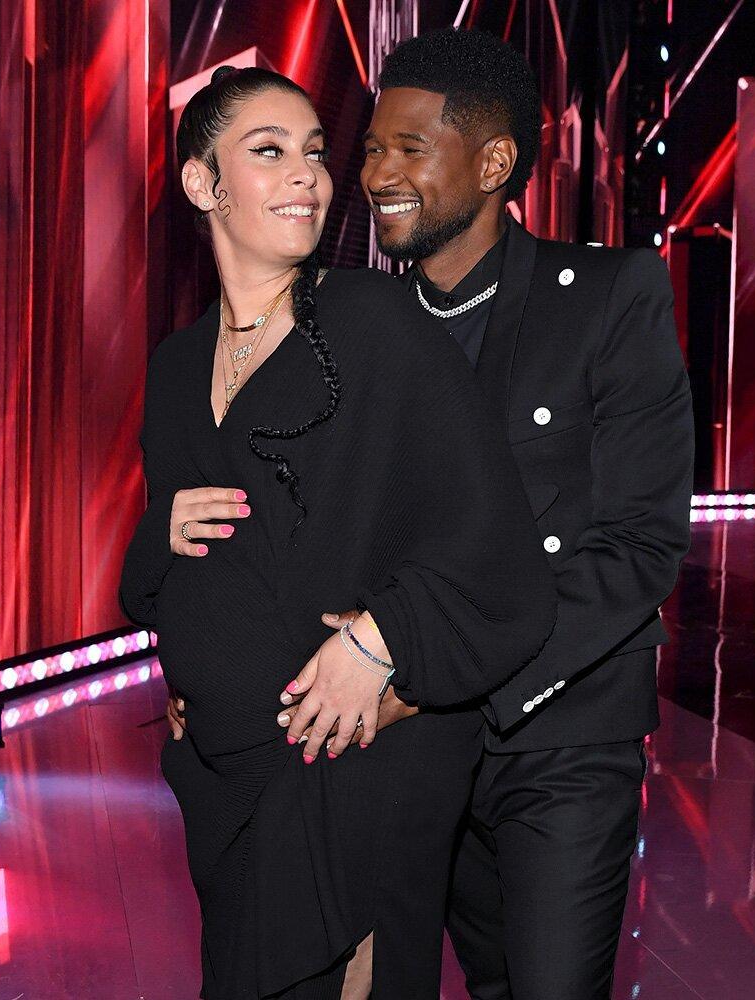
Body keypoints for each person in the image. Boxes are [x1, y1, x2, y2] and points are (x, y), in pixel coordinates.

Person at [171, 29, 694, 999]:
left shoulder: (609, 297)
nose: (375, 175)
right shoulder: (346, 324)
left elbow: (638, 546)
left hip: (558, 729)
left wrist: (427, 668)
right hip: (397, 745)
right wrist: (210, 653)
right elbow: (301, 528)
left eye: (408, 149)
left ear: (493, 164)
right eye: (370, 149)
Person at [118, 64, 557, 1000]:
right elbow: (165, 581)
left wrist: (382, 640)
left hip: (352, 764)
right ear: (202, 183)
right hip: (224, 776)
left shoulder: (374, 323)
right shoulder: (175, 367)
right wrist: (161, 543)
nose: (307, 176)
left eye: (315, 154)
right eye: (269, 151)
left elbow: (492, 542)